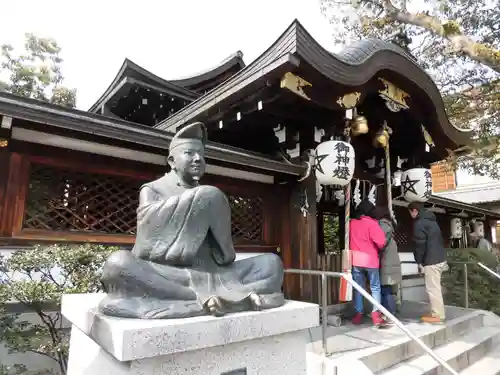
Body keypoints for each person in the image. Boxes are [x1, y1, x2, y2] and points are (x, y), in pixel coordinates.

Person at [98, 122, 285, 319]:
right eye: (189, 153)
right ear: (171, 161)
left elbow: (225, 256)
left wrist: (207, 207)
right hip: (172, 274)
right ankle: (206, 299)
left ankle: (210, 300)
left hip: (216, 274)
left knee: (272, 264)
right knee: (118, 264)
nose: (198, 159)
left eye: (202, 155)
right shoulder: (153, 190)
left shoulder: (209, 196)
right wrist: (198, 202)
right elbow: (146, 246)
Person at [408, 201, 447, 324]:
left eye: (410, 212)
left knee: (432, 288)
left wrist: (419, 261)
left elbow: (420, 244)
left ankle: (438, 316)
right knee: (436, 287)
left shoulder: (419, 223)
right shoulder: (432, 221)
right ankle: (437, 313)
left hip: (431, 260)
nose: (410, 215)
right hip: (440, 258)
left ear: (415, 211)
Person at [350, 199, 387, 326]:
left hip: (356, 260)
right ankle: (376, 314)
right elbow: (381, 243)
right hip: (370, 260)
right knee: (375, 287)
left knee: (358, 288)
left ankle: (358, 314)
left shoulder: (351, 223)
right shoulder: (372, 224)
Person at [376, 207, 402, 321]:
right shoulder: (390, 227)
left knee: (385, 290)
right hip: (392, 264)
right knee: (389, 290)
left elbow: (380, 244)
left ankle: (390, 313)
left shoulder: (382, 226)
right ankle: (392, 311)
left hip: (386, 264)